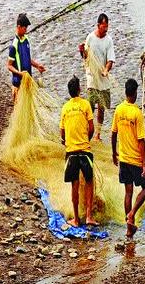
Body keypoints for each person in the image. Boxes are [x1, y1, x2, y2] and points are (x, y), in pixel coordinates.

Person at [111, 79, 145, 238]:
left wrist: (113, 153)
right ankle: (132, 214)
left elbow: (113, 134)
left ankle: (129, 227)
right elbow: (141, 141)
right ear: (134, 93)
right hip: (134, 159)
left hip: (123, 159)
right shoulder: (136, 113)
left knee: (128, 192)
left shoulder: (119, 110)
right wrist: (144, 164)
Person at [60, 76, 99, 227]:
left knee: (74, 185)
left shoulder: (65, 108)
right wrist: (86, 140)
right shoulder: (86, 105)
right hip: (84, 151)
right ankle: (88, 216)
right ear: (79, 89)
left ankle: (76, 219)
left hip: (71, 152)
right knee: (89, 182)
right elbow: (92, 128)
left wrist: (67, 142)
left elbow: (62, 134)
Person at [80, 13, 115, 141]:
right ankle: (86, 132)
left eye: (107, 27)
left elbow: (111, 59)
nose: (105, 29)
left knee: (102, 108)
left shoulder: (109, 40)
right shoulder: (90, 38)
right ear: (98, 25)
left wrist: (106, 69)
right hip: (92, 79)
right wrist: (82, 51)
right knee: (89, 107)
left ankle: (98, 135)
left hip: (104, 80)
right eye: (103, 27)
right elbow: (85, 56)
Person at [7, 13, 46, 103]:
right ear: (19, 27)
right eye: (25, 28)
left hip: (27, 82)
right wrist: (20, 73)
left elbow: (27, 58)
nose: (26, 31)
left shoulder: (26, 40)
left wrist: (37, 66)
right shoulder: (14, 45)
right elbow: (9, 65)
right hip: (19, 84)